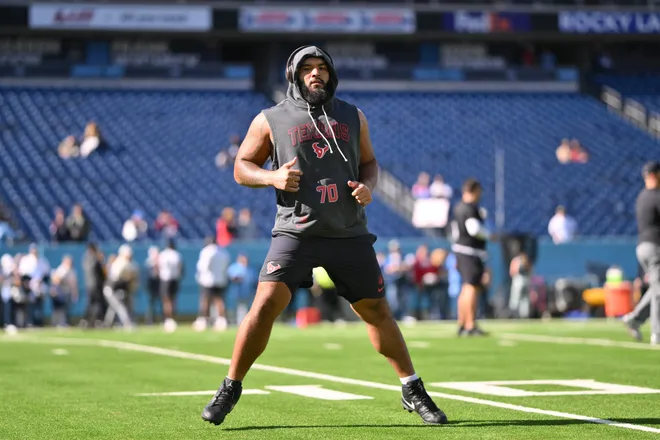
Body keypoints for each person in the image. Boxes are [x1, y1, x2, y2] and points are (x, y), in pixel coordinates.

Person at [201, 45, 447, 426]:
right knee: (264, 306)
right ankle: (230, 387)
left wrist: (368, 185)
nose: (316, 74)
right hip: (295, 231)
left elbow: (369, 162)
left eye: (322, 69)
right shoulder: (270, 118)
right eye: (308, 69)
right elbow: (241, 167)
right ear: (294, 75)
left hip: (348, 231)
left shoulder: (353, 115)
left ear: (331, 75)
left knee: (377, 312)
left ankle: (412, 389)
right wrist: (273, 177)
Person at [450, 178, 496, 336]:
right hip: (470, 251)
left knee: (465, 287)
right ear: (475, 191)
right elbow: (474, 229)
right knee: (471, 287)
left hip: (461, 250)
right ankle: (470, 324)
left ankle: (462, 323)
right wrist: (490, 235)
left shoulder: (457, 207)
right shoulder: (469, 208)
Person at [623, 161, 660, 345]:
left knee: (656, 287)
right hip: (655, 247)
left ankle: (635, 318)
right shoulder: (656, 196)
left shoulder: (642, 196)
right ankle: (657, 333)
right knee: (659, 289)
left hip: (643, 247)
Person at [192, 237, 231, 331]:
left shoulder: (206, 252)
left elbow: (203, 267)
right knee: (219, 300)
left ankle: (203, 320)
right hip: (220, 279)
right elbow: (226, 266)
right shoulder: (223, 252)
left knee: (205, 300)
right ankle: (221, 320)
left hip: (207, 280)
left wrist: (200, 277)